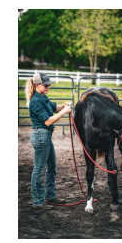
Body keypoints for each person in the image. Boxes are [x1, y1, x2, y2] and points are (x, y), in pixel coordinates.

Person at [25, 71, 72, 210]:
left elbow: (55, 108)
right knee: (39, 169)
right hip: (41, 136)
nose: (48, 87)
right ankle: (38, 201)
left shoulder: (43, 97)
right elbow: (47, 121)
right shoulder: (35, 101)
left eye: (49, 85)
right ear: (38, 85)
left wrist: (64, 106)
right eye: (46, 85)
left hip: (45, 137)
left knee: (52, 166)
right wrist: (64, 112)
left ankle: (50, 196)